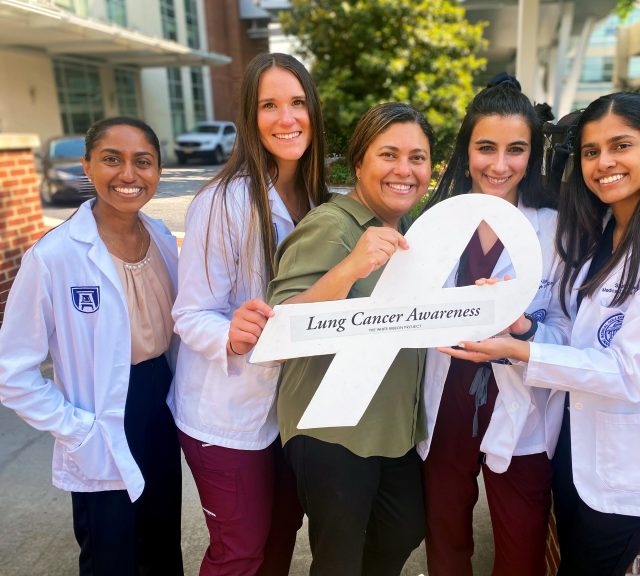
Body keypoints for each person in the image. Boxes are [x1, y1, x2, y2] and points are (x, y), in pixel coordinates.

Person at [441, 92, 640, 576]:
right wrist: (524, 325)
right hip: (580, 447)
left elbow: (629, 372)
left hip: (628, 461)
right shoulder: (607, 234)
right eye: (592, 151)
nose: (605, 163)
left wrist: (519, 348)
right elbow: (582, 340)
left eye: (621, 146)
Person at [0, 117, 183, 575]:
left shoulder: (162, 240)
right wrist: (75, 429)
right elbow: (13, 372)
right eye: (111, 159)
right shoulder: (55, 255)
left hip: (159, 404)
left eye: (143, 162)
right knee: (111, 552)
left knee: (162, 541)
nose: (128, 175)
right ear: (87, 165)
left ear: (158, 171)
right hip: (100, 414)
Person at [168, 52, 326, 576]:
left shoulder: (322, 200)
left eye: (298, 102)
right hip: (226, 414)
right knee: (240, 550)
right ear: (249, 117)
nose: (287, 118)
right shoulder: (221, 201)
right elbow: (190, 313)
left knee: (281, 535)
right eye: (270, 105)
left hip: (290, 413)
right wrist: (231, 333)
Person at [267, 102, 433, 576]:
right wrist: (349, 268)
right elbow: (279, 329)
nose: (405, 170)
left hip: (390, 427)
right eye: (389, 155)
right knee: (338, 561)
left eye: (417, 157)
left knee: (403, 528)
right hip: (331, 429)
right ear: (359, 163)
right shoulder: (331, 226)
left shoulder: (414, 235)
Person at [418, 74, 570, 575]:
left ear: (533, 154)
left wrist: (522, 328)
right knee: (445, 530)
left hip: (519, 398)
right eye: (486, 148)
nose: (499, 165)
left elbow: (572, 335)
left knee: (521, 540)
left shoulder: (557, 230)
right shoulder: (439, 223)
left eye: (516, 149)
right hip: (448, 393)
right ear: (466, 151)